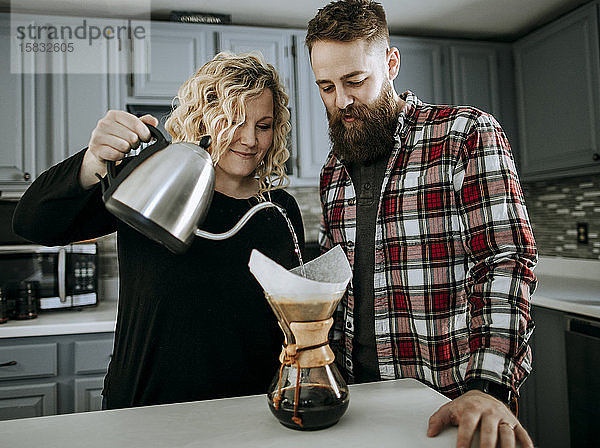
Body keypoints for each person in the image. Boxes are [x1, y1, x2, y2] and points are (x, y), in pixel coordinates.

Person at [13, 52, 305, 409]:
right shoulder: (157, 181)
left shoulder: (280, 210)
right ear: (203, 118)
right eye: (233, 120)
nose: (249, 139)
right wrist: (93, 160)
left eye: (263, 125)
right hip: (146, 407)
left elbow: (291, 317)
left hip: (249, 410)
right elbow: (32, 223)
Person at [306, 1, 537, 447]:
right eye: (326, 87)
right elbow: (333, 280)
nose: (341, 101)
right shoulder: (333, 169)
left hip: (451, 402)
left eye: (355, 81)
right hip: (358, 402)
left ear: (391, 64)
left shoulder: (463, 134)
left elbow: (506, 260)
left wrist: (487, 387)